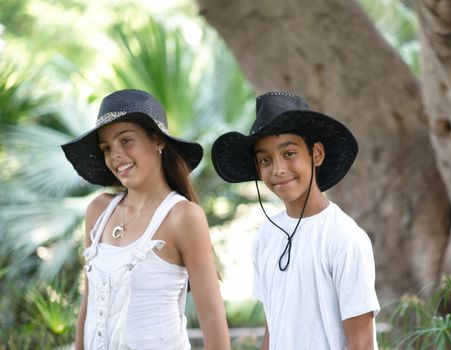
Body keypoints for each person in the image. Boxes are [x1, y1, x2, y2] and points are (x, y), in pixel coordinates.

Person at [62, 89, 230, 350]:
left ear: (158, 141)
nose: (115, 155)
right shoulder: (98, 211)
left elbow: (213, 321)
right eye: (106, 148)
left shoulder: (183, 216)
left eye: (126, 140)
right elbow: (90, 302)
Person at [211, 92, 380, 350]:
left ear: (317, 154)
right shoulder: (266, 236)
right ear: (258, 169)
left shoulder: (344, 237)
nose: (277, 169)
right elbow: (274, 325)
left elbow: (362, 341)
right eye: (265, 160)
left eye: (289, 153)